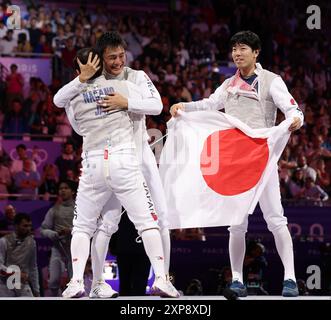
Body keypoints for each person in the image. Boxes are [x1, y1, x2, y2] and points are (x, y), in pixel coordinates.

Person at [170, 30, 304, 297]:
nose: (237, 53)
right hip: (235, 163)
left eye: (243, 48)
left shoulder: (271, 81)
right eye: (234, 49)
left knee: (276, 219)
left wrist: (295, 117)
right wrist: (185, 106)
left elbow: (292, 109)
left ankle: (290, 279)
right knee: (236, 223)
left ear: (256, 53)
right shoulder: (228, 84)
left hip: (261, 161)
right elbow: (210, 104)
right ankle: (237, 280)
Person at [53, 47, 179, 299]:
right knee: (146, 223)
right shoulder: (125, 85)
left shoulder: (73, 96)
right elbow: (155, 106)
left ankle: (78, 281)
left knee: (84, 226)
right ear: (100, 63)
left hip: (94, 164)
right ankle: (162, 279)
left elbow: (67, 113)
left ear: (79, 70)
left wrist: (81, 82)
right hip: (125, 161)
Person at [92, 31, 174, 294]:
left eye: (121, 55)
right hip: (113, 158)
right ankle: (96, 283)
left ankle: (163, 280)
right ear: (101, 58)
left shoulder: (138, 76)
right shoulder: (94, 83)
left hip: (142, 154)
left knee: (162, 218)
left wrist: (125, 102)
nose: (117, 61)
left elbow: (156, 106)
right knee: (106, 222)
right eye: (111, 57)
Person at [40, 180, 77, 296]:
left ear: (73, 191)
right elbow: (43, 229)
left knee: (74, 281)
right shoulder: (54, 210)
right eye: (61, 188)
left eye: (66, 188)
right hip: (57, 250)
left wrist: (70, 231)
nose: (62, 190)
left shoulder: (79, 209)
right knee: (53, 281)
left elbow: (87, 228)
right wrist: (53, 234)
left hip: (74, 250)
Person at [0, 213, 40, 297]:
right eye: (25, 226)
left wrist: (36, 290)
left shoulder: (32, 242)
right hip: (5, 284)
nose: (28, 229)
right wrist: (16, 274)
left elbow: (33, 267)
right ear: (16, 226)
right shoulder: (4, 241)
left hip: (22, 284)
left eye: (29, 226)